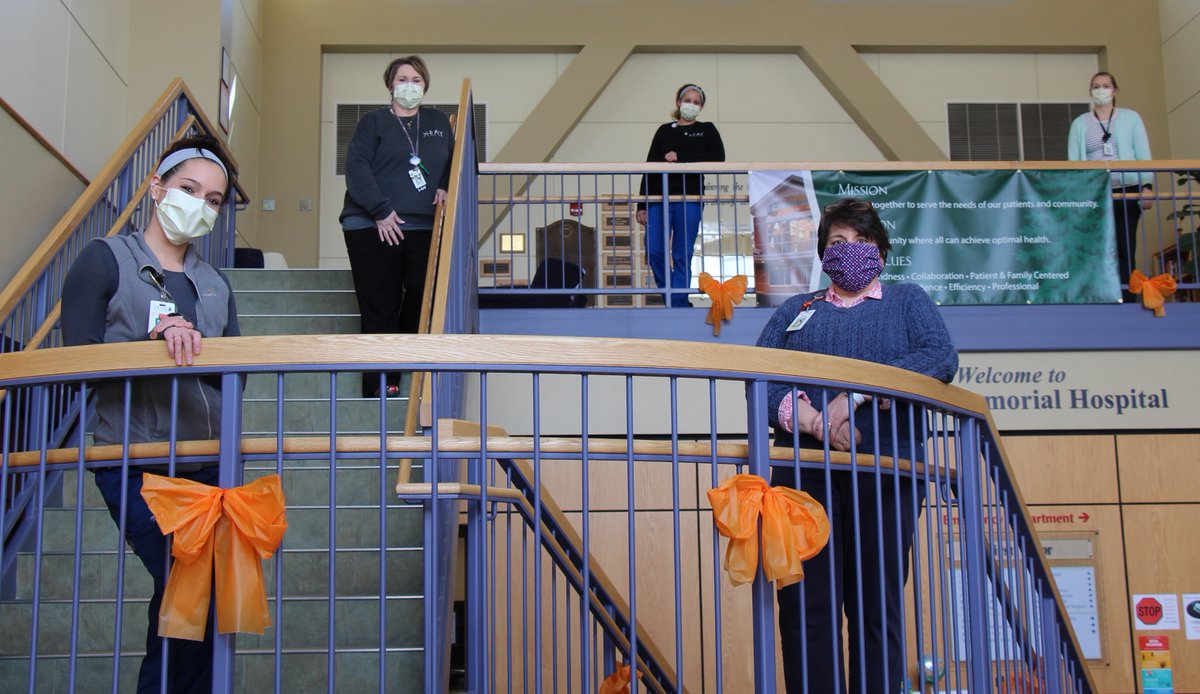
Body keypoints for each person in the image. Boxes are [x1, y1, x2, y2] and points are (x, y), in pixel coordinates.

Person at [755, 198, 958, 694]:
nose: (850, 251)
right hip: (803, 475)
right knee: (805, 605)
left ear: (882, 251)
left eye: (862, 241)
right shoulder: (794, 310)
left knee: (875, 602)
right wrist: (816, 422)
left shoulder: (907, 301)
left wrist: (857, 394)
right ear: (823, 254)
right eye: (838, 242)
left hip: (886, 472)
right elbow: (760, 378)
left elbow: (939, 357)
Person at [61, 135, 239, 694]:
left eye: (213, 199)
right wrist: (151, 336)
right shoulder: (106, 259)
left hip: (208, 467)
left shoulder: (215, 284)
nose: (201, 205)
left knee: (195, 594)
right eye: (189, 189)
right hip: (136, 463)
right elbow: (79, 362)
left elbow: (229, 371)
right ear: (157, 188)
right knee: (190, 579)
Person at [340, 55, 454, 396]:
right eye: (402, 79)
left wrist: (446, 184)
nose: (409, 85)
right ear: (390, 85)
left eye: (416, 80)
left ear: (426, 85)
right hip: (372, 224)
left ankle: (400, 362)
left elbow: (454, 159)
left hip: (422, 225)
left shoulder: (438, 121)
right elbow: (356, 166)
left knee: (423, 296)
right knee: (380, 302)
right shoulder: (372, 122)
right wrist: (380, 210)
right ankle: (380, 383)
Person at [635, 83, 725, 307]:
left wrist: (681, 156)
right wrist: (641, 204)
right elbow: (650, 166)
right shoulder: (664, 130)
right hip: (659, 199)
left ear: (701, 107)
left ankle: (677, 302)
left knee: (681, 254)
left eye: (696, 102)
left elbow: (717, 156)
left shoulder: (707, 129)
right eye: (688, 100)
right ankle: (674, 299)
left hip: (690, 199)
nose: (691, 105)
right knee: (654, 250)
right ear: (678, 102)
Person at [1067, 71, 1154, 300]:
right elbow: (1074, 161)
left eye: (1106, 86)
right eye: (1096, 86)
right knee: (1096, 246)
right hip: (1095, 192)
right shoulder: (1080, 124)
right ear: (1090, 92)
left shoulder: (1130, 118)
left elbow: (1143, 154)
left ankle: (1126, 295)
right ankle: (1099, 295)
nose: (1101, 90)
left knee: (1125, 245)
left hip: (1126, 189)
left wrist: (1147, 185)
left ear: (1114, 91)